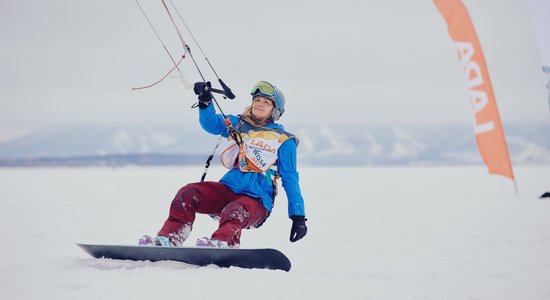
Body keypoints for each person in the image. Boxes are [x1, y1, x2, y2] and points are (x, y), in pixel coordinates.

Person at [139, 80, 307, 248]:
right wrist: (205, 101)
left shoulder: (284, 140)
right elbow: (211, 123)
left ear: (275, 110)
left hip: (257, 200)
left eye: (266, 102)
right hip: (228, 190)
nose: (259, 104)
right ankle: (170, 237)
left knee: (235, 210)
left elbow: (290, 179)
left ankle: (223, 242)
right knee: (187, 193)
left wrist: (298, 216)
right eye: (257, 100)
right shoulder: (239, 124)